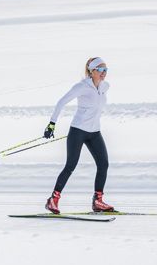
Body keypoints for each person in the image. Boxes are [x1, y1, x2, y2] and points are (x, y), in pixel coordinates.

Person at [43, 57, 116, 214]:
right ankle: (53, 200)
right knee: (70, 166)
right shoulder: (81, 87)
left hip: (95, 132)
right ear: (92, 71)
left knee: (103, 164)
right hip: (78, 131)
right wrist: (51, 124)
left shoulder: (105, 87)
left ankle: (98, 201)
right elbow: (61, 102)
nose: (104, 73)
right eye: (101, 70)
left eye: (106, 70)